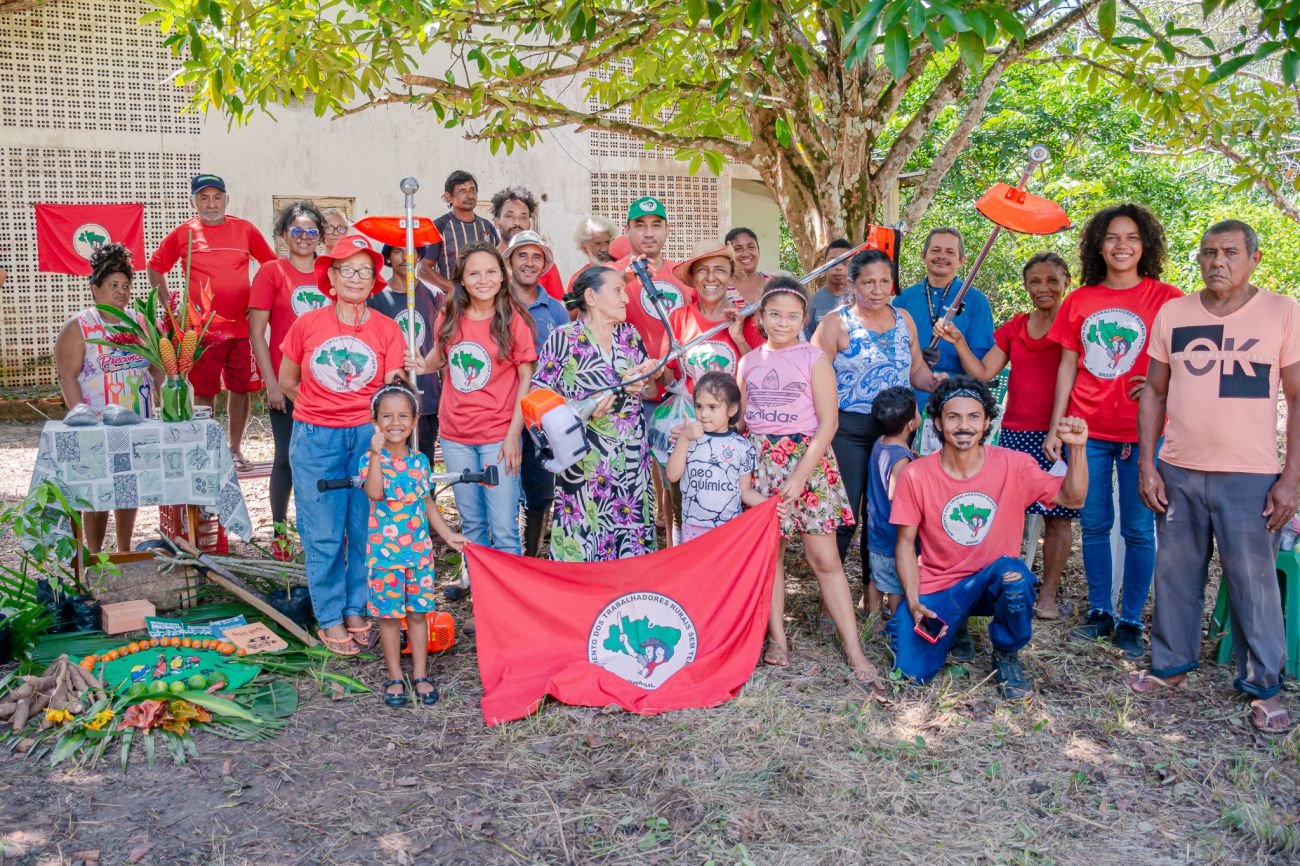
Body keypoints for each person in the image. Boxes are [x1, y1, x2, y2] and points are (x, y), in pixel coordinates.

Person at [1127, 220, 1298, 734]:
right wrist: (1147, 464)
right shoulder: (1175, 313)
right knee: (1175, 573)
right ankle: (1170, 665)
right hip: (1179, 468)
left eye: (1229, 252)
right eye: (1207, 253)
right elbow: (1154, 392)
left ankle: (1263, 686)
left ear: (1254, 258)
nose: (1217, 261)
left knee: (1253, 583)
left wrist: (1291, 479)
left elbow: (1297, 398)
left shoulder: (1282, 312)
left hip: (1250, 475)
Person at [890, 376, 1090, 698]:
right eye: (953, 417)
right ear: (938, 422)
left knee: (1015, 576)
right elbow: (903, 544)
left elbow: (1073, 498)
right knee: (909, 673)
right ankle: (955, 626)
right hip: (941, 585)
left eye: (973, 417)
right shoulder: (916, 474)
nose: (963, 426)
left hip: (993, 580)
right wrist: (913, 602)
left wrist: (1078, 448)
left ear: (986, 423)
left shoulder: (1014, 465)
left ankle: (1007, 654)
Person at [1044, 203, 1182, 659]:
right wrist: (1057, 426)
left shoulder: (1168, 298)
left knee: (1139, 529)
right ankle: (1100, 610)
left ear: (1146, 245)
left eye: (1132, 238)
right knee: (1095, 523)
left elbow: (1186, 361)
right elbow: (1067, 366)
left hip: (1143, 433)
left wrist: (1163, 386)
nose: (1122, 246)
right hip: (1087, 431)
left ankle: (1131, 619)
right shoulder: (1080, 301)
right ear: (1098, 247)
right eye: (1112, 238)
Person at [737, 277, 875, 683]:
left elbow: (829, 423)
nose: (783, 322)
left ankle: (854, 648)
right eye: (774, 314)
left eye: (792, 316)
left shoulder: (813, 359)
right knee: (772, 557)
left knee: (824, 560)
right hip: (763, 464)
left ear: (804, 319)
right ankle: (777, 640)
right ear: (761, 318)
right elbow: (741, 421)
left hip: (808, 465)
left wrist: (800, 475)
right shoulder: (748, 362)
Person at [280, 234, 408, 655]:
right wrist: (323, 411)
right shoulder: (307, 325)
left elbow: (391, 388)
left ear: (374, 280)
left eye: (365, 271)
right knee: (324, 532)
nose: (356, 278)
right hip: (316, 437)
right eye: (347, 270)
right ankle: (331, 614)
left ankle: (356, 606)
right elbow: (287, 381)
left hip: (368, 438)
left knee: (366, 527)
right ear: (331, 277)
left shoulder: (387, 328)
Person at [935, 252, 1078, 619]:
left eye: (1052, 280)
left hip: (1058, 433)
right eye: (1034, 281)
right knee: (1007, 512)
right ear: (1025, 285)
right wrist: (958, 341)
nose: (1043, 287)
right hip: (1016, 432)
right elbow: (983, 373)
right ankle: (1007, 585)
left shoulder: (1075, 325)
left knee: (1058, 515)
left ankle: (1047, 594)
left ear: (1067, 282)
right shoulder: (1016, 327)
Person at [408, 242, 536, 588]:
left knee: (504, 526)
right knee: (473, 525)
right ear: (462, 279)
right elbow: (440, 356)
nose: (483, 280)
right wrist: (421, 365)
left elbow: (526, 380)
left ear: (503, 276)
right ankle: (482, 594)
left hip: (498, 436)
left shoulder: (513, 319)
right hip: (456, 436)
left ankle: (510, 598)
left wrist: (514, 435)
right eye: (474, 273)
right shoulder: (450, 314)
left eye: (491, 272)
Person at [813, 248, 942, 580]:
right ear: (853, 283)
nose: (877, 289)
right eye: (868, 282)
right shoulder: (835, 323)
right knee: (845, 514)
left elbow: (916, 370)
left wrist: (932, 381)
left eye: (884, 281)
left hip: (896, 432)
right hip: (848, 431)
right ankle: (831, 593)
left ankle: (875, 592)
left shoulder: (904, 320)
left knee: (884, 514)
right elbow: (811, 376)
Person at [530, 266, 660, 561]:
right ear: (591, 297)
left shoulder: (629, 335)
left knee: (630, 543)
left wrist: (647, 376)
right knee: (585, 541)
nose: (625, 298)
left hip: (630, 463)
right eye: (617, 291)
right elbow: (538, 396)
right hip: (584, 464)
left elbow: (650, 391)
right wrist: (580, 405)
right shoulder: (564, 338)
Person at [147, 174, 276, 469]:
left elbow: (270, 265)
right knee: (204, 391)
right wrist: (168, 305)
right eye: (203, 198)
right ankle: (206, 451)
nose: (211, 204)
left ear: (226, 200)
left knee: (240, 389)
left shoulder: (245, 230)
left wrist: (259, 301)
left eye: (217, 197)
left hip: (242, 330)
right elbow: (155, 266)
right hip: (201, 332)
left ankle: (234, 450)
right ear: (193, 202)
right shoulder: (185, 233)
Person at [361, 382, 467, 707]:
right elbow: (375, 493)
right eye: (387, 416)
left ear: (415, 420)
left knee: (419, 614)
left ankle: (421, 673)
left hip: (419, 555)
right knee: (390, 617)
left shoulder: (420, 461)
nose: (395, 423)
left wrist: (447, 534)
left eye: (403, 416)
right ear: (375, 422)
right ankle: (395, 676)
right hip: (385, 557)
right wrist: (376, 454)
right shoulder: (371, 459)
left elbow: (427, 502)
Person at [54, 243, 158, 553]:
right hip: (97, 426)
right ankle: (95, 555)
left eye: (126, 285)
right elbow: (67, 375)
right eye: (113, 285)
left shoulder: (141, 323)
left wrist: (170, 399)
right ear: (95, 289)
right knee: (97, 492)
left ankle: (124, 551)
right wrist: (81, 417)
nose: (121, 291)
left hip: (137, 423)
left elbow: (157, 368)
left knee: (128, 488)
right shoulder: (80, 326)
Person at [249, 200, 330, 560]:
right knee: (285, 458)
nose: (304, 237)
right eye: (296, 230)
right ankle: (280, 534)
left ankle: (323, 530)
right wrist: (271, 382)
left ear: (320, 237)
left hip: (326, 384)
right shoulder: (272, 272)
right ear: (283, 234)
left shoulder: (331, 272)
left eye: (311, 231)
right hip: (286, 382)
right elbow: (257, 332)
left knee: (325, 459)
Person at [505, 231, 569, 557]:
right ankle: (498, 558)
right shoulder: (496, 304)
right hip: (502, 412)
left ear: (544, 265)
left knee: (540, 491)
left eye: (536, 257)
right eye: (522, 255)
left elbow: (567, 361)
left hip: (542, 416)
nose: (529, 263)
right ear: (509, 261)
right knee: (500, 488)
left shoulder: (556, 310)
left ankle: (530, 557)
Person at [892, 227, 994, 406]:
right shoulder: (904, 298)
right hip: (906, 400)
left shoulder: (977, 301)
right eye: (935, 250)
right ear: (923, 255)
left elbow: (979, 368)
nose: (942, 256)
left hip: (954, 401)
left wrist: (943, 360)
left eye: (950, 252)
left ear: (962, 260)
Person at [665, 371, 771, 542]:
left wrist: (770, 505)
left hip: (729, 529)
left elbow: (745, 491)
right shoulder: (687, 437)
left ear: (732, 409)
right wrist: (683, 439)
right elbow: (672, 475)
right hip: (692, 527)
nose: (703, 414)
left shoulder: (742, 446)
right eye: (699, 406)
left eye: (712, 407)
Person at [368, 243, 443, 466]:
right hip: (390, 397)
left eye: (410, 251)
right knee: (390, 463)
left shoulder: (434, 295)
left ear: (419, 256)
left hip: (427, 395)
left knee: (423, 462)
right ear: (388, 257)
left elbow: (443, 346)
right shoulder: (376, 298)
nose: (405, 257)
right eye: (397, 251)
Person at [662, 243, 756, 392]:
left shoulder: (747, 319)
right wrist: (656, 370)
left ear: (731, 276)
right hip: (689, 407)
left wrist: (739, 339)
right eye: (702, 270)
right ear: (693, 277)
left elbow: (759, 377)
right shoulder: (678, 318)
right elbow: (669, 380)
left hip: (735, 407)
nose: (711, 278)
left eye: (720, 270)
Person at [864, 386, 919, 620]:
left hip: (876, 525)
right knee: (895, 585)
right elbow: (896, 495)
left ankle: (873, 620)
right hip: (891, 532)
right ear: (910, 425)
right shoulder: (900, 458)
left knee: (876, 577)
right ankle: (896, 624)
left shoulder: (881, 442)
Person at [416, 171, 500, 293]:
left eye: (472, 190)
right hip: (451, 300)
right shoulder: (438, 227)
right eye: (462, 191)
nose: (469, 195)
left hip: (484, 298)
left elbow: (497, 264)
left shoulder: (487, 227)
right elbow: (422, 269)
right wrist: (454, 289)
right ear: (448, 197)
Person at [491, 186, 564, 301]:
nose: (517, 222)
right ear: (496, 222)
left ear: (529, 224)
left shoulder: (544, 263)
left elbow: (558, 305)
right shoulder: (486, 262)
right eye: (510, 216)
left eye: (523, 217)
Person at [805, 239, 853, 340]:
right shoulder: (811, 303)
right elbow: (806, 342)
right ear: (824, 264)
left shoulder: (862, 301)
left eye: (845, 262)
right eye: (833, 262)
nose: (839, 267)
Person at [725, 226, 766, 307]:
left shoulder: (774, 283)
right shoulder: (721, 287)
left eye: (751, 247)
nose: (745, 254)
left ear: (758, 251)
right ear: (728, 254)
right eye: (738, 249)